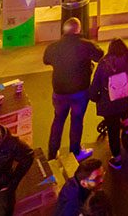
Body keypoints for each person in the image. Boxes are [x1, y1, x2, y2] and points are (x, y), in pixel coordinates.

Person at [43, 17, 103, 161]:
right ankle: (75, 152)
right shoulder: (86, 45)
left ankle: (52, 152)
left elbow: (46, 60)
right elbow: (100, 55)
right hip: (79, 92)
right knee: (77, 120)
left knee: (58, 120)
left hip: (59, 92)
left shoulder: (53, 47)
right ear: (79, 30)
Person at [89, 38, 128, 169]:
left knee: (113, 130)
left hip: (110, 104)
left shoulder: (103, 63)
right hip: (127, 99)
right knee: (124, 114)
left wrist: (96, 98)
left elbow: (94, 87)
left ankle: (117, 159)